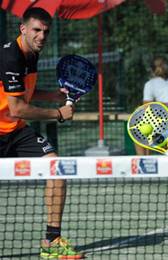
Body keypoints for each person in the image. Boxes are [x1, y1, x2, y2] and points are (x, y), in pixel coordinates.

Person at [0, 8, 83, 259]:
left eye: (46, 31)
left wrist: (51, 95)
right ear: (23, 29)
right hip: (10, 122)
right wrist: (57, 113)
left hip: (15, 131)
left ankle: (52, 241)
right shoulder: (10, 57)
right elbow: (17, 109)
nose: (42, 36)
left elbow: (22, 94)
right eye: (36, 30)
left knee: (55, 169)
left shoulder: (31, 54)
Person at [136, 56, 168, 155]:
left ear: (152, 70)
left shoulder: (150, 84)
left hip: (166, 125)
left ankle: (143, 162)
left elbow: (146, 110)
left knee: (137, 131)